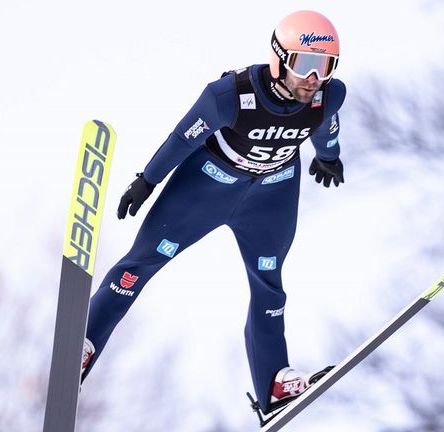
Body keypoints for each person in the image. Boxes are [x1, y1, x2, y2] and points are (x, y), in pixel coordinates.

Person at [80, 10, 346, 415]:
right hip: (206, 187)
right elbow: (182, 138)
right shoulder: (229, 95)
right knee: (142, 262)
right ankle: (84, 345)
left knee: (269, 283)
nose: (314, 78)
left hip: (270, 196)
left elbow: (325, 124)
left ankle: (273, 385)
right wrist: (147, 181)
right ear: (279, 58)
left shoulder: (329, 94)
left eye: (324, 67)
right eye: (305, 64)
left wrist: (329, 157)